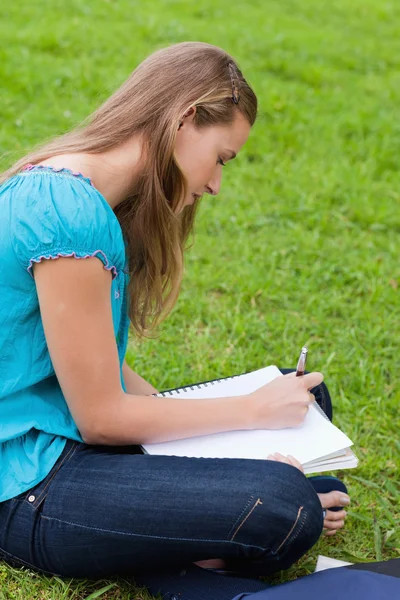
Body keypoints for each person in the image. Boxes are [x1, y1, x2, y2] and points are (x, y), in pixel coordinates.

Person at [0, 42, 350, 596]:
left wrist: (215, 444)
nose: (215, 184)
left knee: (302, 396)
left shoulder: (92, 199)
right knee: (284, 504)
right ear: (185, 118)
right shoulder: (64, 212)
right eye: (221, 158)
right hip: (27, 484)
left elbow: (102, 373)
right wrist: (246, 415)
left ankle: (184, 522)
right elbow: (101, 417)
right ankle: (184, 546)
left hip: (71, 438)